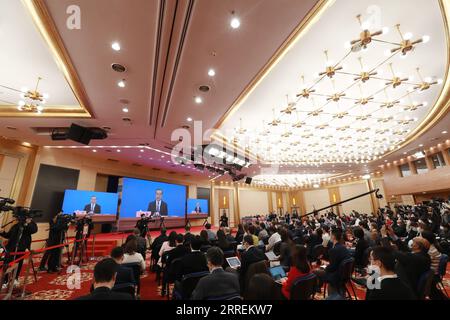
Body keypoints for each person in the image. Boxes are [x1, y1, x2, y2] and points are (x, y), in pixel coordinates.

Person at [1, 215, 38, 285]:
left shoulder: (29, 225)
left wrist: (28, 222)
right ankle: (5, 280)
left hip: (21, 248)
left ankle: (15, 278)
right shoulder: (15, 226)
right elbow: (8, 235)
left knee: (18, 264)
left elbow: (34, 230)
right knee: (7, 264)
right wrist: (2, 232)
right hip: (11, 248)